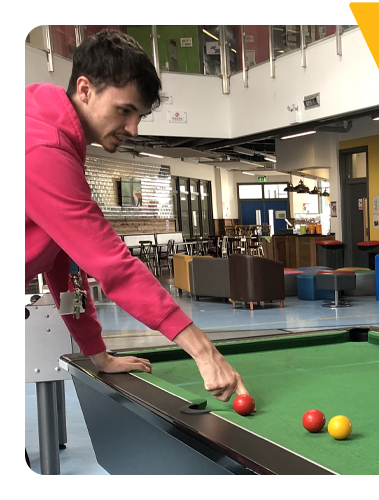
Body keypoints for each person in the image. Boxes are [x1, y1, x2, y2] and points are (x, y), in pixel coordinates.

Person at [26, 29, 247, 402]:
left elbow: (66, 274)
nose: (132, 128)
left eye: (139, 115)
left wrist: (98, 352)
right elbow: (113, 265)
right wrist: (203, 351)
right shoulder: (43, 147)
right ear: (84, 89)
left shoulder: (57, 139)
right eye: (124, 110)